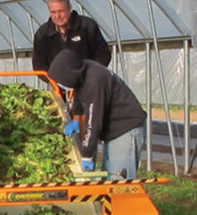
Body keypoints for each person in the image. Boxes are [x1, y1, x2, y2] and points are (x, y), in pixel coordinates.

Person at [49, 49, 147, 179]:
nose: (61, 85)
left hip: (126, 129)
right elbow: (79, 93)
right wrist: (77, 119)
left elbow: (94, 121)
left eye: (61, 81)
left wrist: (86, 155)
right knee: (109, 179)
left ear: (70, 75)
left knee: (119, 181)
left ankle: (123, 199)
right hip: (114, 132)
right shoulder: (85, 70)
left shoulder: (96, 80)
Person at [30, 0, 112, 75]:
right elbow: (39, 64)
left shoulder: (87, 26)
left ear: (70, 8)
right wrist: (54, 79)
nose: (57, 16)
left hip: (87, 81)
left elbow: (103, 54)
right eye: (53, 12)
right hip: (57, 84)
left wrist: (90, 74)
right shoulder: (43, 34)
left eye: (61, 11)